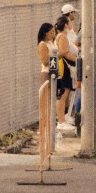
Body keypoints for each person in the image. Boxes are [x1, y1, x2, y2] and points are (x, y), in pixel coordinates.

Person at [36, 23, 57, 158]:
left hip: (55, 74)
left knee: (52, 104)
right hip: (47, 73)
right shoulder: (43, 45)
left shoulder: (52, 43)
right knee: (46, 104)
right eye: (50, 32)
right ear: (45, 33)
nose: (53, 34)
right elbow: (45, 61)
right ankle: (43, 131)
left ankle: (49, 133)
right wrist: (55, 57)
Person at [54, 15, 78, 133]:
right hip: (65, 67)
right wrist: (76, 59)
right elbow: (64, 52)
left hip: (67, 66)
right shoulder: (62, 36)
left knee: (66, 93)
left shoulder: (65, 36)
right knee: (63, 93)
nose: (71, 24)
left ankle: (64, 117)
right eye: (69, 22)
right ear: (65, 25)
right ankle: (61, 121)